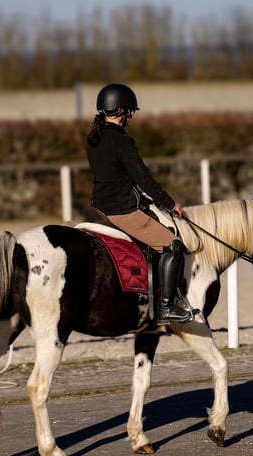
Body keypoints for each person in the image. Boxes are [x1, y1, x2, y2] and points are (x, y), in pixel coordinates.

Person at [86, 83, 192, 324]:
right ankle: (166, 306)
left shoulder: (94, 138)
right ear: (121, 110)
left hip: (101, 204)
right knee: (173, 245)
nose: (130, 117)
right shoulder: (123, 142)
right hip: (121, 209)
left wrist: (141, 197)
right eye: (129, 112)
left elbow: (113, 176)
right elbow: (143, 178)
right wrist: (169, 203)